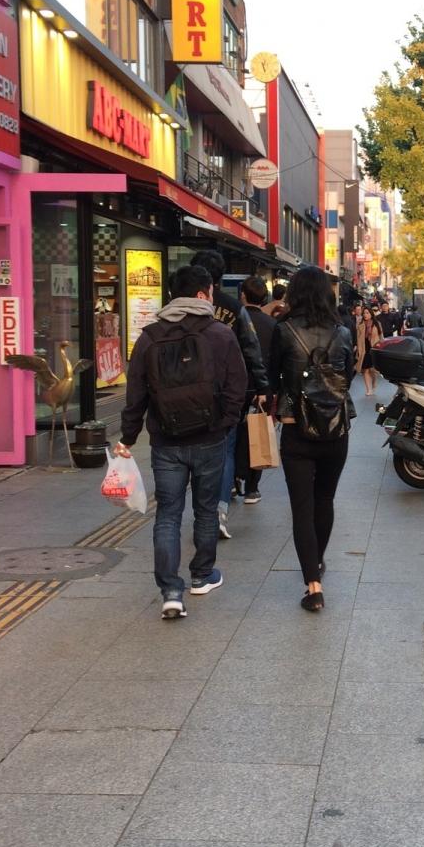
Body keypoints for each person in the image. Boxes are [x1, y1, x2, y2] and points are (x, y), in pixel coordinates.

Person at [114, 264, 248, 620]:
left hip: (166, 441)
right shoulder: (220, 334)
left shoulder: (149, 337)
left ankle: (171, 592)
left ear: (173, 295)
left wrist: (127, 437)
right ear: (204, 293)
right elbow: (238, 385)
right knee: (206, 509)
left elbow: (135, 394)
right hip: (210, 438)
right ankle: (202, 575)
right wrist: (225, 423)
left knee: (168, 514)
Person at [269, 267, 355, 613]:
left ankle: (313, 585)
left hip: (296, 427)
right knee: (325, 498)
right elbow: (347, 375)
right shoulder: (343, 332)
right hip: (335, 428)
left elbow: (272, 377)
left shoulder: (283, 330)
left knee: (302, 507)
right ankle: (316, 560)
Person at [191, 251, 268, 540]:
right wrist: (262, 387)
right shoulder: (235, 308)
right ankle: (219, 511)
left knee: (192, 453)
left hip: (187, 394)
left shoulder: (179, 308)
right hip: (228, 393)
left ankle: (203, 512)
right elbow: (251, 348)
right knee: (224, 452)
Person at [235, 275, 277, 503]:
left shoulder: (234, 321)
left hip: (236, 387)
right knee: (259, 433)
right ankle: (252, 487)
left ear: (243, 295)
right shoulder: (272, 325)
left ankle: (233, 480)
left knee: (233, 434)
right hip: (263, 388)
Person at [355, 304, 382, 395]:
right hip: (364, 349)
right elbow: (357, 338)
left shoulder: (377, 324)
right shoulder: (360, 325)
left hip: (374, 349)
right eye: (364, 313)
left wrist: (382, 347)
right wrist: (357, 349)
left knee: (372, 370)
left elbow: (381, 337)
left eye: (367, 313)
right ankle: (368, 390)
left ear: (371, 314)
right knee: (365, 370)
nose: (365, 315)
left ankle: (373, 382)